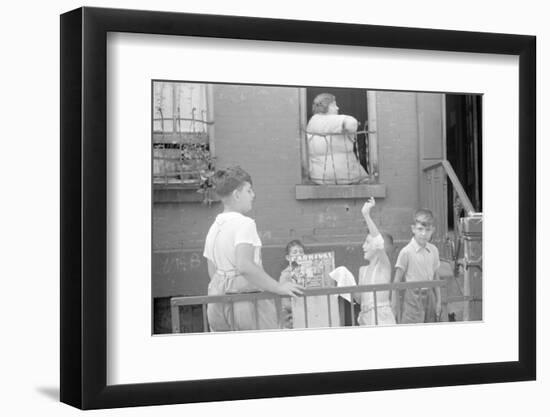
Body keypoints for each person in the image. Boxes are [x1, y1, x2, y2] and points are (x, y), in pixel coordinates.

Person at [203, 166, 303, 331]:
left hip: (216, 305)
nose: (253, 195)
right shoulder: (245, 224)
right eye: (249, 191)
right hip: (246, 304)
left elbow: (212, 270)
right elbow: (244, 266)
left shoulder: (214, 227)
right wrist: (278, 287)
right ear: (236, 194)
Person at [306, 93, 369, 185]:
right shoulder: (326, 120)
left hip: (320, 177)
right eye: (334, 105)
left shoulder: (312, 122)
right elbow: (350, 124)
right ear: (326, 106)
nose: (337, 108)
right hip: (341, 176)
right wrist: (354, 124)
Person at [392, 209, 442, 324]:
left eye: (428, 230)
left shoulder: (434, 250)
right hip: (413, 298)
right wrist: (394, 307)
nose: (424, 233)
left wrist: (439, 301)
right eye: (420, 229)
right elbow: (396, 281)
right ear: (413, 229)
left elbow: (435, 276)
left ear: (432, 230)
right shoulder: (406, 252)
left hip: (430, 296)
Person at [356, 198, 396, 326]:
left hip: (382, 319)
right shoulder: (362, 271)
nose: (363, 246)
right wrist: (346, 282)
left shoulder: (384, 267)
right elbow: (358, 298)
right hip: (366, 319)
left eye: (367, 242)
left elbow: (378, 242)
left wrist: (366, 215)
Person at [278, 240, 306, 329]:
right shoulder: (285, 275)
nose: (299, 254)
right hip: (291, 317)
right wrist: (301, 308)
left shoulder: (308, 272)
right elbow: (285, 303)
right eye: (295, 252)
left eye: (301, 252)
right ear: (288, 257)